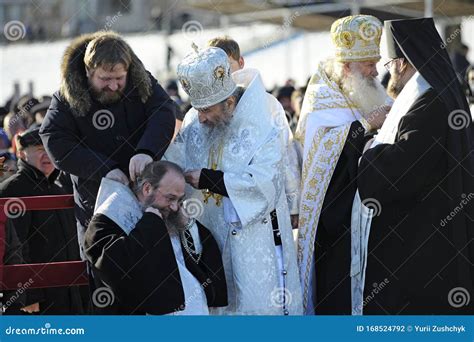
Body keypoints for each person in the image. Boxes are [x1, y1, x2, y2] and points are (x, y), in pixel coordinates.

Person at [165, 46, 303, 315]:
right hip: (210, 238)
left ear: (228, 102)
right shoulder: (195, 118)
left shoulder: (261, 121)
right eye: (197, 108)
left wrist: (209, 179)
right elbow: (175, 159)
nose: (200, 117)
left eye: (206, 109)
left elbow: (266, 183)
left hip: (253, 239)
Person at [354, 18, 474, 314]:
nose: (389, 71)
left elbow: (399, 171)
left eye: (390, 63)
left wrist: (369, 148)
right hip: (433, 231)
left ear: (405, 62)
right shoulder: (435, 93)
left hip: (424, 242)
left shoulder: (428, 102)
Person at [39, 31, 176, 259]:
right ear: (88, 72)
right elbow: (55, 139)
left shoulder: (142, 83)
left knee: (154, 268)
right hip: (97, 204)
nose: (113, 86)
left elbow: (164, 111)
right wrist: (104, 169)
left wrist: (146, 151)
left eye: (119, 79)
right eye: (104, 79)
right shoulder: (65, 98)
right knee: (106, 273)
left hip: (147, 198)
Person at [295, 15, 390, 315]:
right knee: (338, 297)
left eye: (376, 62)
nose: (375, 71)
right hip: (335, 221)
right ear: (347, 66)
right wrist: (365, 125)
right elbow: (322, 152)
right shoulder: (322, 97)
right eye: (367, 64)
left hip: (368, 214)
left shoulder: (369, 90)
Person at [84, 161, 227, 315]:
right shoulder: (110, 217)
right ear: (147, 188)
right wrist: (150, 224)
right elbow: (112, 266)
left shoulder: (171, 214)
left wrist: (188, 225)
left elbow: (201, 252)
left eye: (179, 200)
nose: (174, 206)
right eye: (170, 198)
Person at [207, 36, 301, 228]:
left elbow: (286, 150)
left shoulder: (267, 104)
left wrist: (294, 205)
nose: (221, 74)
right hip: (221, 200)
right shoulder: (208, 108)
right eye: (214, 69)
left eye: (226, 66)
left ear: (241, 63)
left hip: (264, 200)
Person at [0, 128, 83, 314]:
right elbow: (14, 248)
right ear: (21, 153)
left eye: (49, 147)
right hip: (36, 302)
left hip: (67, 293)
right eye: (39, 148)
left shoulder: (59, 189)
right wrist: (26, 295)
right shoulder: (12, 191)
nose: (46, 154)